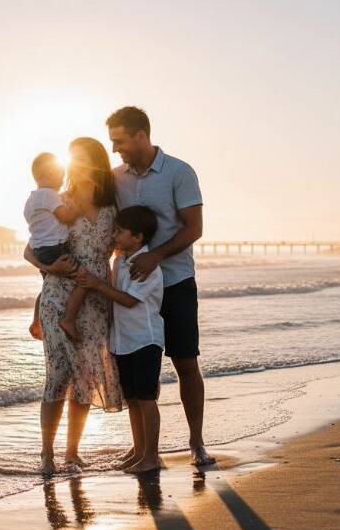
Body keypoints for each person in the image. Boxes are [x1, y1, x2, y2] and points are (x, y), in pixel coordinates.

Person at [107, 106, 216, 466]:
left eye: (120, 141)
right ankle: (144, 448)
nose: (116, 149)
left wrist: (156, 256)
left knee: (186, 364)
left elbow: (193, 228)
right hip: (134, 287)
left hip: (176, 281)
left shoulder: (179, 172)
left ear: (141, 135)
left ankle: (196, 442)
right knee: (141, 368)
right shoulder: (116, 177)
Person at [24, 137, 123, 474]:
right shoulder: (60, 201)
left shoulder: (113, 207)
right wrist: (50, 267)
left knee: (85, 374)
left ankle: (72, 452)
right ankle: (47, 454)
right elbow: (30, 248)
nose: (78, 167)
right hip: (57, 294)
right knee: (58, 375)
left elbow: (126, 243)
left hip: (94, 297)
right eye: (74, 161)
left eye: (85, 160)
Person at [77, 205, 165, 474]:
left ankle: (152, 455)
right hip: (124, 340)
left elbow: (127, 300)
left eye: (119, 232)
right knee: (134, 400)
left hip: (145, 339)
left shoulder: (147, 266)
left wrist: (96, 283)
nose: (114, 235)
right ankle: (139, 452)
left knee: (147, 398)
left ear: (137, 237)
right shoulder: (121, 260)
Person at [24, 153, 85, 341]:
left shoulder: (30, 200)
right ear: (49, 174)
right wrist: (79, 207)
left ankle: (36, 319)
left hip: (40, 250)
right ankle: (69, 319)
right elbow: (65, 217)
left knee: (48, 283)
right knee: (84, 280)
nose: (63, 180)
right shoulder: (49, 196)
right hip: (56, 249)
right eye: (61, 175)